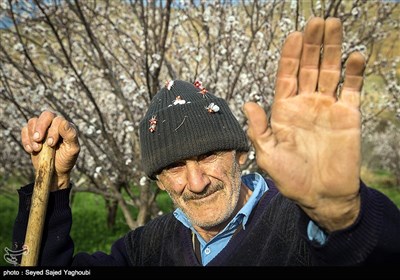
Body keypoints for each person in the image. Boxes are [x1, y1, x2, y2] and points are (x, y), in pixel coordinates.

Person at [12, 16, 400, 266]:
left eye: (209, 154)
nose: (196, 183)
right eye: (174, 167)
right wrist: (54, 183)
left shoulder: (299, 227)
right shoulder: (148, 249)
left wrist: (343, 217)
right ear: (159, 181)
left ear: (241, 154)